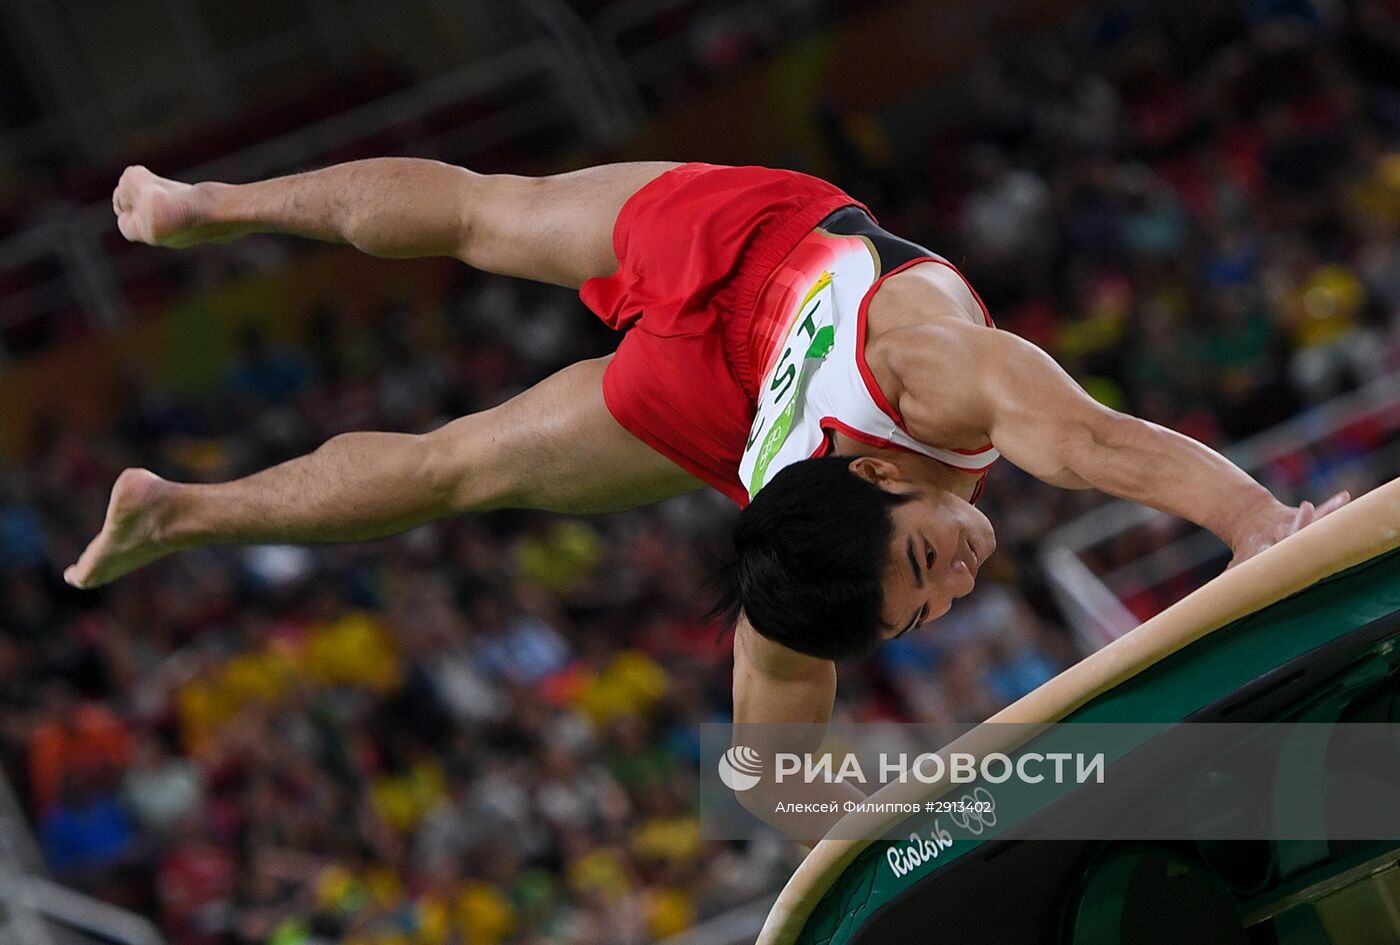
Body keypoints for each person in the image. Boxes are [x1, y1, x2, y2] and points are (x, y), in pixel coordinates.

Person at [66, 159, 1346, 739]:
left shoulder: (932, 386)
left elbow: (1095, 442)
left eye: (924, 580)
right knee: (474, 275)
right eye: (929, 591)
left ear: (882, 475)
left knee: (472, 344)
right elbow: (779, 749)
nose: (957, 585)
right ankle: (204, 273)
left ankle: (194, 455)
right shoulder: (840, 505)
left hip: (737, 315)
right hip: (734, 311)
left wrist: (1249, 528)